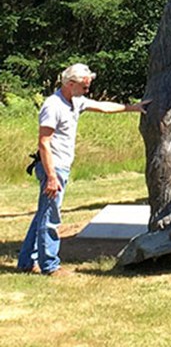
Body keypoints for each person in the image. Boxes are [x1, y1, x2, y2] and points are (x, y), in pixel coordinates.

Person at [17, 64, 150, 276]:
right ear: (70, 84)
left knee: (43, 214)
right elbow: (44, 142)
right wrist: (51, 177)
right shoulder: (53, 106)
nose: (87, 91)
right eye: (84, 86)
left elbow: (103, 107)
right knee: (51, 218)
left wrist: (133, 107)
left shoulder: (76, 101)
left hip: (61, 167)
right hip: (53, 167)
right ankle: (50, 266)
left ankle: (26, 261)